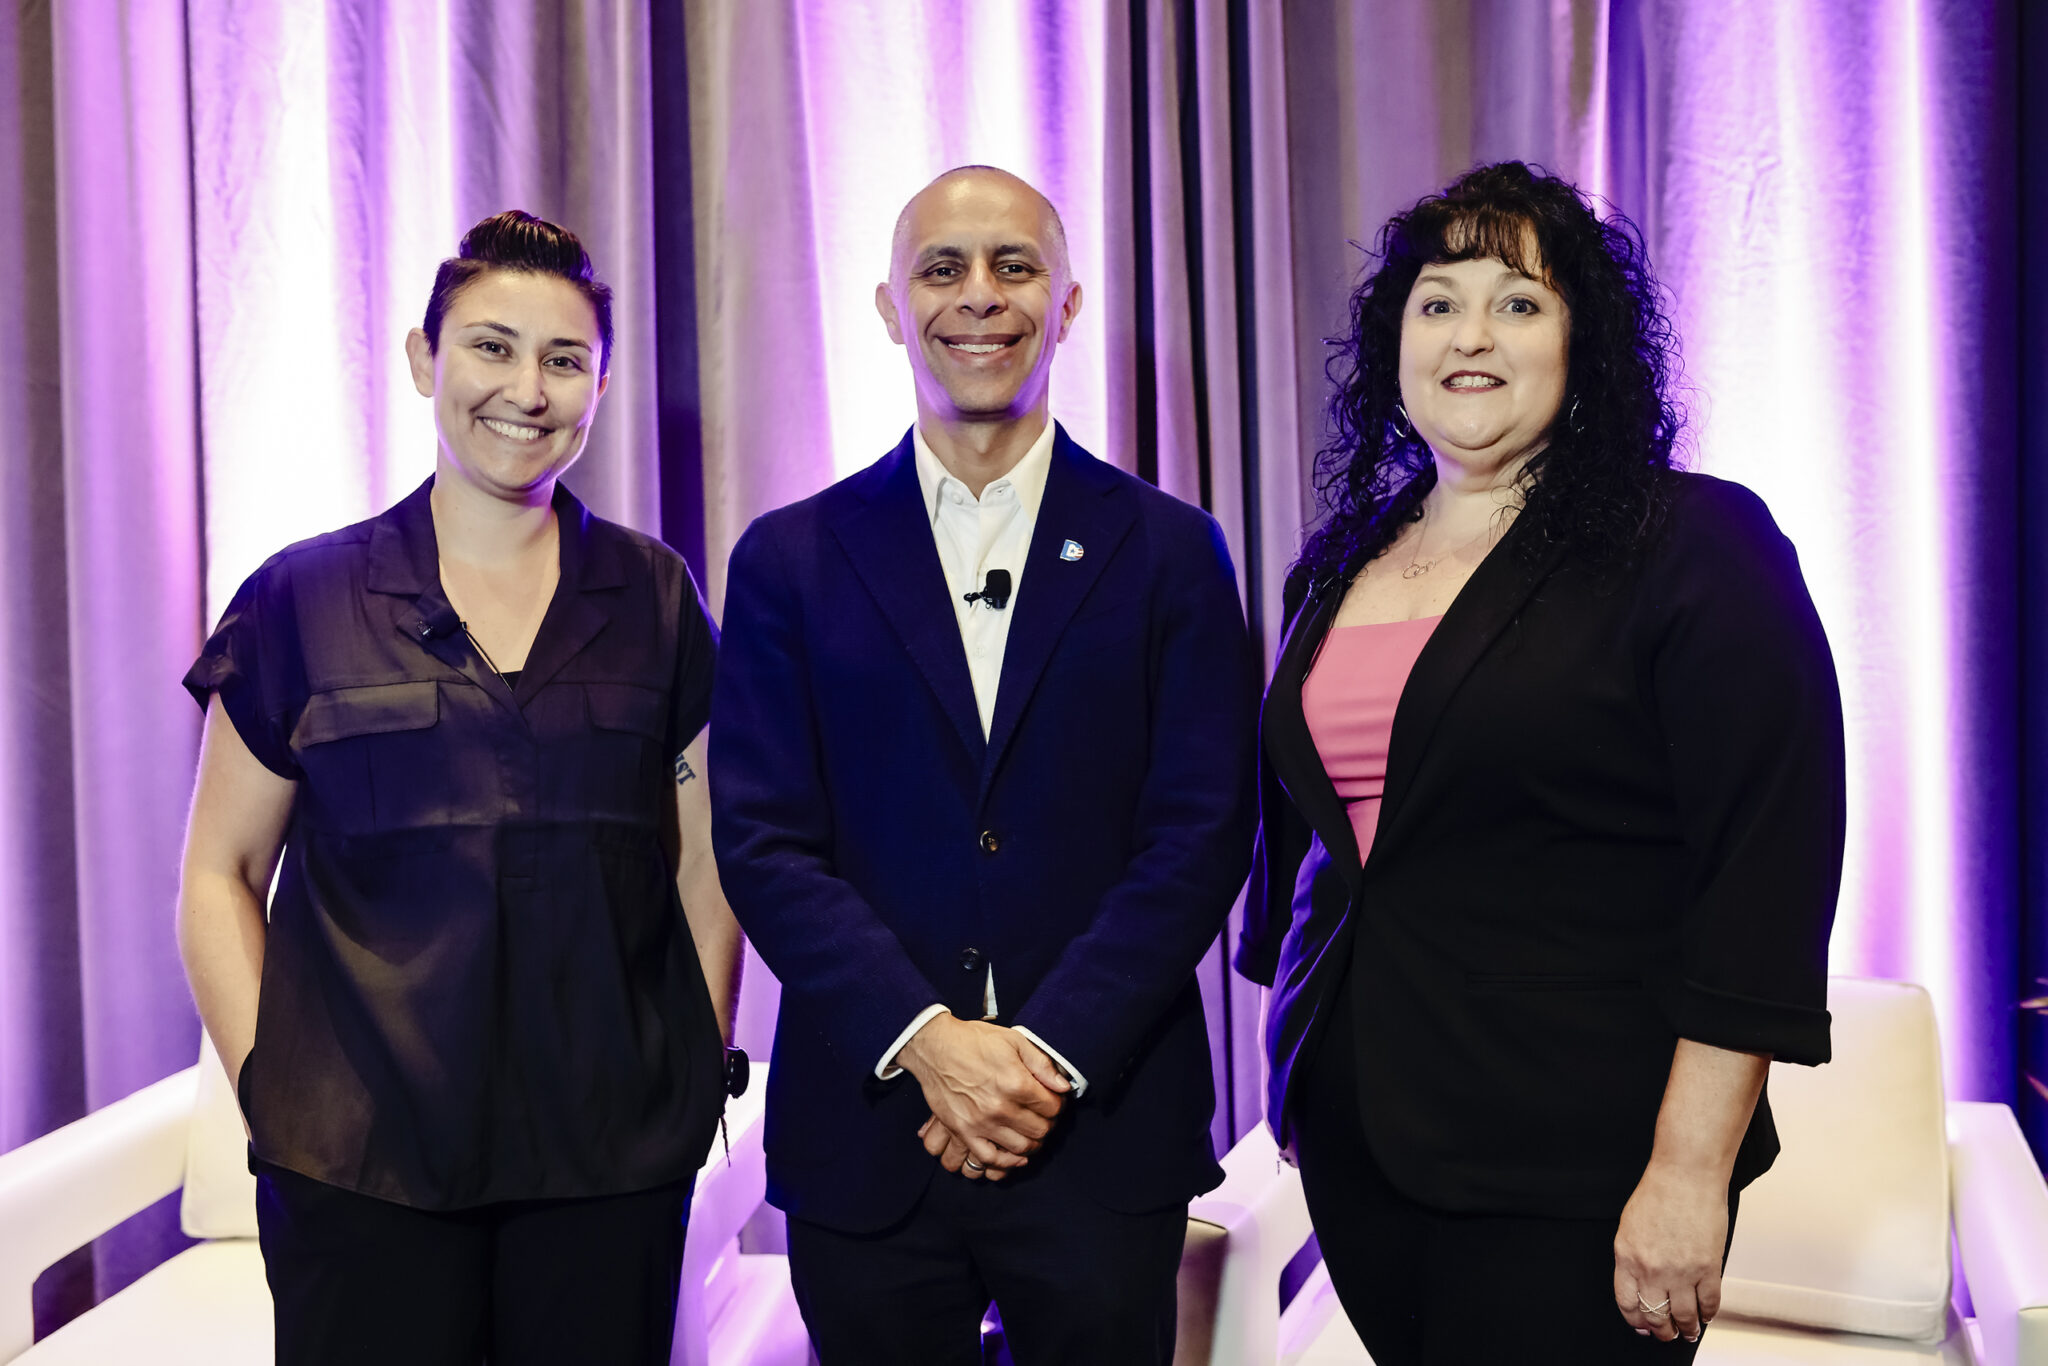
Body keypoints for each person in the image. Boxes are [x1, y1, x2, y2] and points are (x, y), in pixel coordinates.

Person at [1234, 162, 1846, 1363]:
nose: (1471, 334)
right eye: (1436, 300)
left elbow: (1762, 878)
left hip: (1578, 1158)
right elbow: (1320, 842)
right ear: (1393, 341)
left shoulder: (1690, 543)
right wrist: (1295, 1053)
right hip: (1362, 1135)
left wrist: (1686, 1172)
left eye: (1518, 302)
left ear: (1583, 345)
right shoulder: (1340, 560)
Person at [710, 165, 1258, 1365]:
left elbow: (1202, 828)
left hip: (1101, 1125)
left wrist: (1040, 1055)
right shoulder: (788, 559)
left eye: (1014, 267)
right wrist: (929, 1041)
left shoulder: (1171, 551)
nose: (979, 298)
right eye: (941, 269)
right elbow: (759, 839)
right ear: (888, 306)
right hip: (869, 1134)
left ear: (1064, 307)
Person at [175, 210, 741, 1366]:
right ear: (424, 359)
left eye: (563, 359)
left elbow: (704, 857)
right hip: (357, 1167)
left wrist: (696, 1069)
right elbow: (218, 872)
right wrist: (273, 1095)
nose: (525, 389)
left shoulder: (656, 596)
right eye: (491, 346)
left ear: (598, 385)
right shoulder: (299, 599)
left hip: (608, 1165)